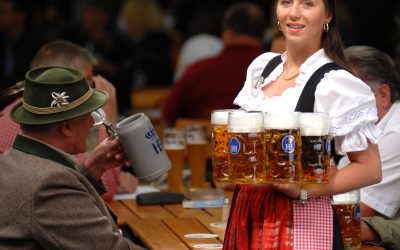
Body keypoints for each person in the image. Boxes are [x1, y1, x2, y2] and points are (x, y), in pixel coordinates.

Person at [223, 0, 381, 249]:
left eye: (308, 4)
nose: (294, 13)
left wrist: (303, 189)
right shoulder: (263, 68)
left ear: (327, 15)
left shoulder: (336, 83)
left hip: (301, 223)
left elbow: (370, 168)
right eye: (286, 2)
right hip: (248, 212)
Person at [0, 66, 143, 249]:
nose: (92, 122)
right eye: (88, 114)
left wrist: (91, 170)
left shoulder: (10, 160)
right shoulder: (50, 185)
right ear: (66, 127)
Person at [0, 39, 137, 200]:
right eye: (86, 82)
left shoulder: (21, 113)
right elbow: (105, 189)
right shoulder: (47, 127)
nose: (91, 89)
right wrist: (107, 118)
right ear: (61, 84)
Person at [162, 2, 267, 127]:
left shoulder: (197, 71)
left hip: (207, 144)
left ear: (229, 32)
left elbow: (168, 117)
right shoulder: (281, 71)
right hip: (260, 145)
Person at [343, 46, 400, 219]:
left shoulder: (396, 133)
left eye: (349, 97)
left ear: (383, 95)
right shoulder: (359, 130)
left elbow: (358, 214)